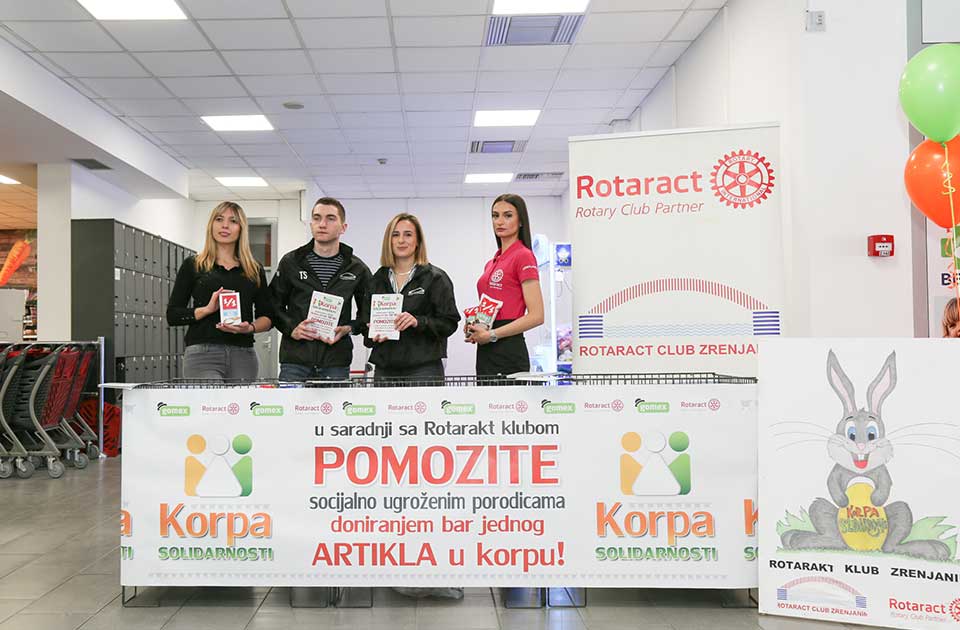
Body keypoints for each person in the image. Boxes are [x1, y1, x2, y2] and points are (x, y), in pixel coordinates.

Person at [166, 201, 273, 381]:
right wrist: (207, 309)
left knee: (241, 400)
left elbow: (268, 317)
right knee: (210, 400)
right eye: (219, 219)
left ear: (241, 228)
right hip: (202, 354)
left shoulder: (254, 269)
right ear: (211, 225)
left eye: (233, 221)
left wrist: (249, 328)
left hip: (243, 354)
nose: (225, 225)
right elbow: (173, 315)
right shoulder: (194, 265)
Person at [270, 197, 372, 382]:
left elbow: (369, 311)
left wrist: (349, 328)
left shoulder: (356, 268)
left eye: (330, 218)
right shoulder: (291, 262)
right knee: (291, 403)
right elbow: (272, 304)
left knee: (335, 404)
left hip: (336, 362)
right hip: (295, 361)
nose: (322, 224)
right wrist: (291, 328)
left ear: (343, 227)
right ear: (311, 224)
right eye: (317, 218)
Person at [364, 213, 460, 385]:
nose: (401, 240)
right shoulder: (376, 280)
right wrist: (372, 332)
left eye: (408, 234)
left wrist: (418, 321)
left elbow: (449, 323)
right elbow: (365, 324)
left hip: (424, 369)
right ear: (389, 241)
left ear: (418, 241)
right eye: (395, 235)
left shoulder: (435, 278)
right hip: (385, 369)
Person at [467, 193, 545, 379]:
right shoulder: (492, 262)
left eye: (508, 215)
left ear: (520, 221)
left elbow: (537, 316)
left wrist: (492, 334)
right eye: (495, 216)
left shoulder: (523, 256)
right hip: (486, 348)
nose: (500, 221)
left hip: (508, 348)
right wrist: (475, 324)